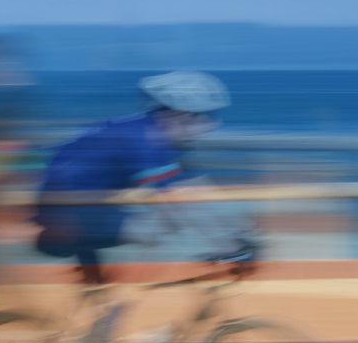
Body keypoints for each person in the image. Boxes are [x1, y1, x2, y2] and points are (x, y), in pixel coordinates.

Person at [32, 71, 256, 284]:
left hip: (78, 207)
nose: (213, 125)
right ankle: (123, 301)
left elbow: (196, 185)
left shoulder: (148, 129)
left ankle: (106, 299)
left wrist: (241, 233)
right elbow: (178, 200)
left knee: (165, 220)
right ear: (182, 115)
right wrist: (229, 248)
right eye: (209, 117)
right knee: (160, 225)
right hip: (68, 215)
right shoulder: (145, 139)